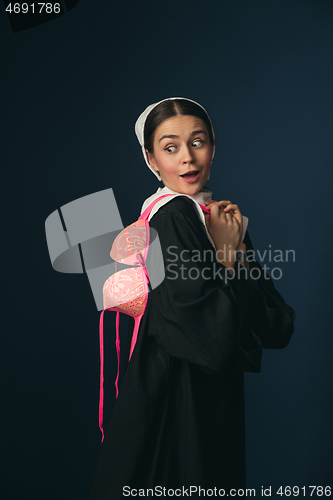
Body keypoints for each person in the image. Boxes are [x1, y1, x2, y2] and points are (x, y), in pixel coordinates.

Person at [86, 97, 295, 499]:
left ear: (213, 146)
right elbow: (212, 341)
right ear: (151, 160)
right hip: (174, 401)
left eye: (197, 142)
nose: (187, 159)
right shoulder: (173, 216)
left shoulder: (223, 220)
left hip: (213, 407)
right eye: (170, 147)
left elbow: (279, 325)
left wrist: (231, 254)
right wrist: (232, 261)